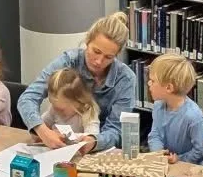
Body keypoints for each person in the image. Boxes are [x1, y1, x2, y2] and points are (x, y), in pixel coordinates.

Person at [17, 13, 137, 153]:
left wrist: (93, 141)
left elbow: (116, 129)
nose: (99, 61)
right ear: (87, 41)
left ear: (117, 55)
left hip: (101, 152)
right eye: (96, 51)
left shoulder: (126, 79)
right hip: (60, 147)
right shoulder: (68, 61)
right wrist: (42, 131)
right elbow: (27, 99)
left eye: (108, 57)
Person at [146, 52, 203, 164]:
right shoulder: (158, 106)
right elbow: (155, 135)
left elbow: (202, 150)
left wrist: (180, 159)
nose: (148, 83)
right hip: (165, 166)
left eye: (153, 81)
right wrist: (158, 153)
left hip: (188, 171)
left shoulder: (193, 117)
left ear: (169, 88)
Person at [35, 68, 101, 146]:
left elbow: (92, 137)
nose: (56, 110)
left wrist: (69, 137)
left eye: (61, 109)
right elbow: (38, 126)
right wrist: (46, 133)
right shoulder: (54, 109)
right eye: (53, 104)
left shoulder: (88, 112)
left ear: (78, 102)